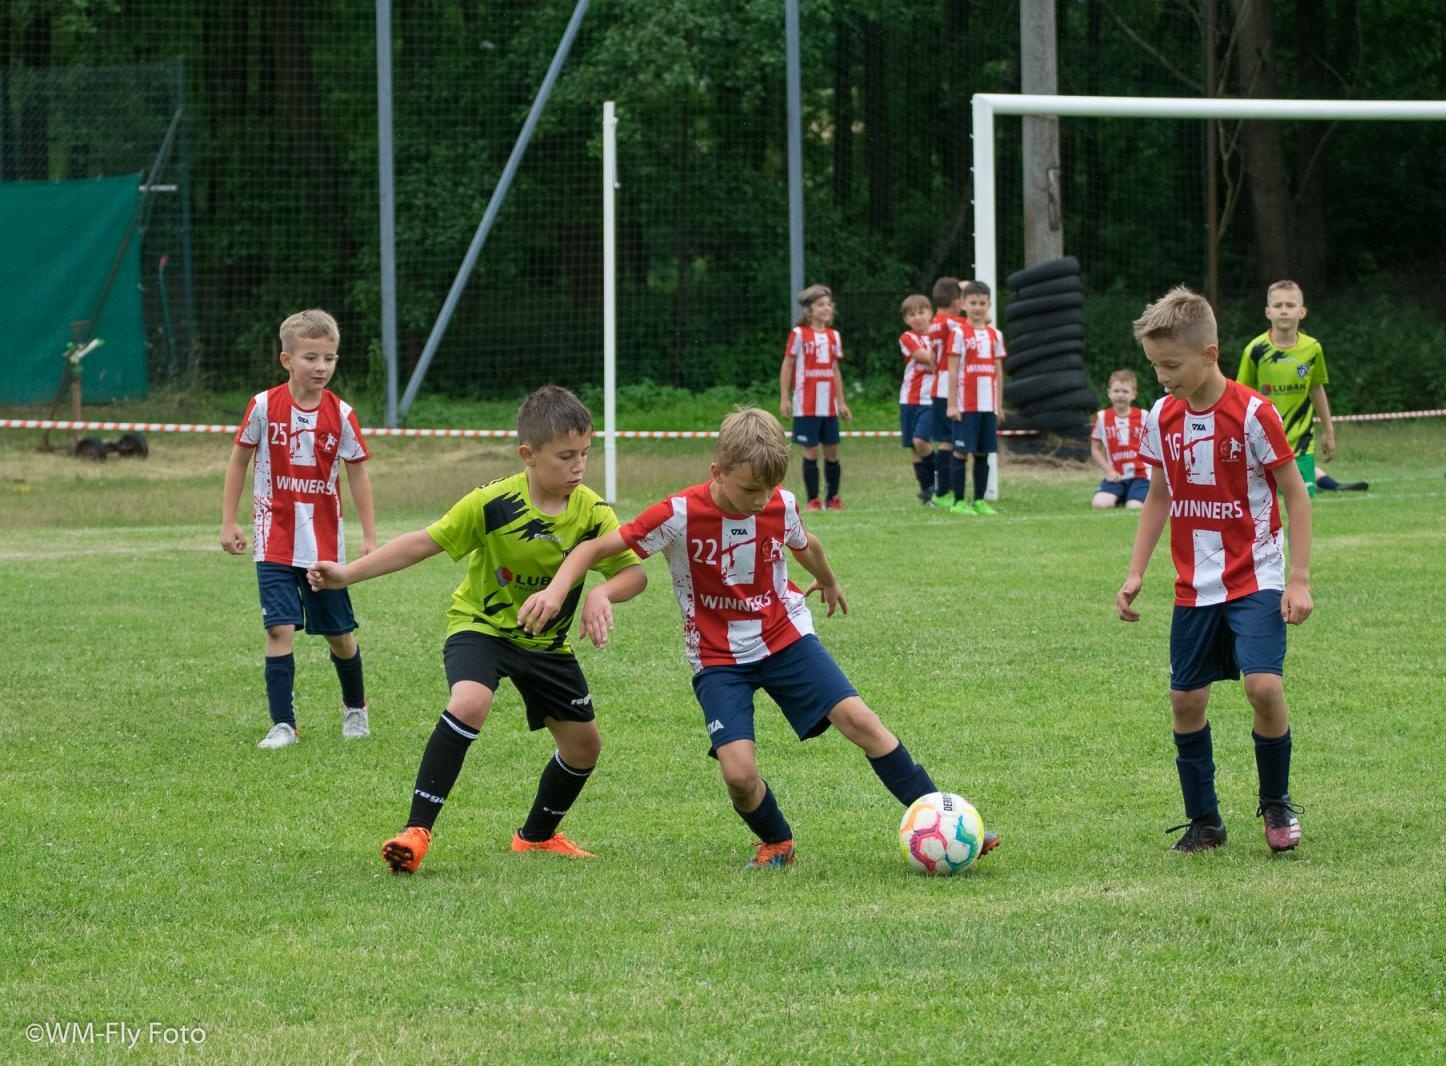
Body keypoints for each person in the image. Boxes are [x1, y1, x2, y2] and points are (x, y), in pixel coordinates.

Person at [517, 408, 999, 871]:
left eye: (768, 489)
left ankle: (947, 823)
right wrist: (587, 591)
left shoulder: (779, 503)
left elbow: (806, 544)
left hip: (784, 634)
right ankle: (777, 841)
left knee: (861, 721)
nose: (760, 500)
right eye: (750, 489)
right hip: (717, 657)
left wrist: (828, 580)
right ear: (718, 472)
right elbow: (593, 548)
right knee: (739, 775)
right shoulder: (678, 514)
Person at [306, 386, 646, 874]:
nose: (579, 467)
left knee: (584, 747)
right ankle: (415, 831)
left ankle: (536, 837)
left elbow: (633, 574)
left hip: (546, 644)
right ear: (528, 455)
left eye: (585, 454)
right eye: (566, 456)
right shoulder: (492, 502)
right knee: (469, 701)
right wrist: (346, 574)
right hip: (481, 627)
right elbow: (423, 543)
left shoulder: (592, 512)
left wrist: (602, 593)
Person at [1116, 286, 1314, 855]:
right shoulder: (1161, 416)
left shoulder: (1253, 413)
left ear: (1209, 354)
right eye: (1155, 366)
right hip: (1194, 586)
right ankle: (1205, 821)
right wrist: (1136, 571)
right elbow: (1159, 494)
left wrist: (1299, 577)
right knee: (1185, 700)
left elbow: (1295, 494)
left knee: (1263, 686)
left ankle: (1276, 802)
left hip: (1257, 575)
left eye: (1171, 365)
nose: (1161, 377)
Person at [221, 308, 375, 750]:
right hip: (273, 538)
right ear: (287, 359)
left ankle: (355, 708)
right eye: (311, 357)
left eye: (329, 357)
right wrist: (229, 520)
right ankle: (283, 725)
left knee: (339, 635)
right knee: (279, 629)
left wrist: (368, 535)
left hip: (323, 546)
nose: (321, 366)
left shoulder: (341, 414)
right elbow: (239, 460)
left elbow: (358, 472)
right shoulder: (263, 406)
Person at [1237, 280, 1365, 495]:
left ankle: (1321, 485)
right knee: (1271, 498)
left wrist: (1329, 432)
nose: (1283, 311)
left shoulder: (1312, 349)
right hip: (1264, 441)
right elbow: (1240, 395)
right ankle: (1325, 484)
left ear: (1302, 311)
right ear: (1268, 312)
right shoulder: (1255, 350)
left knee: (1301, 498)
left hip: (1302, 442)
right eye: (1277, 306)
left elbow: (1316, 389)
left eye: (1290, 305)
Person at [780, 284, 851, 510]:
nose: (826, 308)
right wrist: (784, 397)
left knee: (832, 451)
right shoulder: (799, 334)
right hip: (806, 404)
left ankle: (833, 498)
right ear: (809, 310)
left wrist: (841, 402)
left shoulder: (833, 336)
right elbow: (788, 364)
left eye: (829, 304)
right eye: (821, 304)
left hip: (828, 405)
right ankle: (813, 499)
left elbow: (835, 369)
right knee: (811, 450)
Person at [944, 280, 1006, 515]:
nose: (978, 307)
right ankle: (958, 502)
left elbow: (998, 372)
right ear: (963, 304)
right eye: (973, 303)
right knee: (961, 451)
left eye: (982, 303)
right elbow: (952, 370)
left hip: (987, 405)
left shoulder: (995, 335)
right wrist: (952, 404)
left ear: (989, 305)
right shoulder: (958, 334)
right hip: (965, 405)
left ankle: (979, 500)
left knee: (983, 452)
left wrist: (999, 405)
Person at [925, 276, 965, 507]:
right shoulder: (952, 323)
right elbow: (983, 321)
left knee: (946, 440)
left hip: (938, 383)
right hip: (949, 386)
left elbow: (932, 358)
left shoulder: (933, 323)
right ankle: (943, 492)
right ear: (957, 302)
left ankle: (944, 490)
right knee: (949, 441)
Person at [896, 293, 939, 503]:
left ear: (930, 313)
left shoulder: (939, 334)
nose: (918, 317)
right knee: (915, 449)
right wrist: (945, 352)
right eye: (912, 315)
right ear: (906, 319)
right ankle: (927, 493)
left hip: (930, 400)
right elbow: (926, 357)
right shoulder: (908, 337)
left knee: (921, 441)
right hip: (909, 398)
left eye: (922, 312)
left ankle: (940, 481)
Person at [1089, 369, 1151, 511]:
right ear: (1109, 393)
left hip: (1140, 475)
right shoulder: (1102, 417)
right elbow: (1095, 448)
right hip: (1116, 476)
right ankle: (1122, 495)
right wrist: (1108, 470)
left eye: (1125, 391)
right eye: (1116, 391)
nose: (1120, 395)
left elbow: (1155, 447)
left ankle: (1132, 495)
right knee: (1099, 504)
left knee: (1134, 506)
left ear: (1133, 394)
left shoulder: (1144, 416)